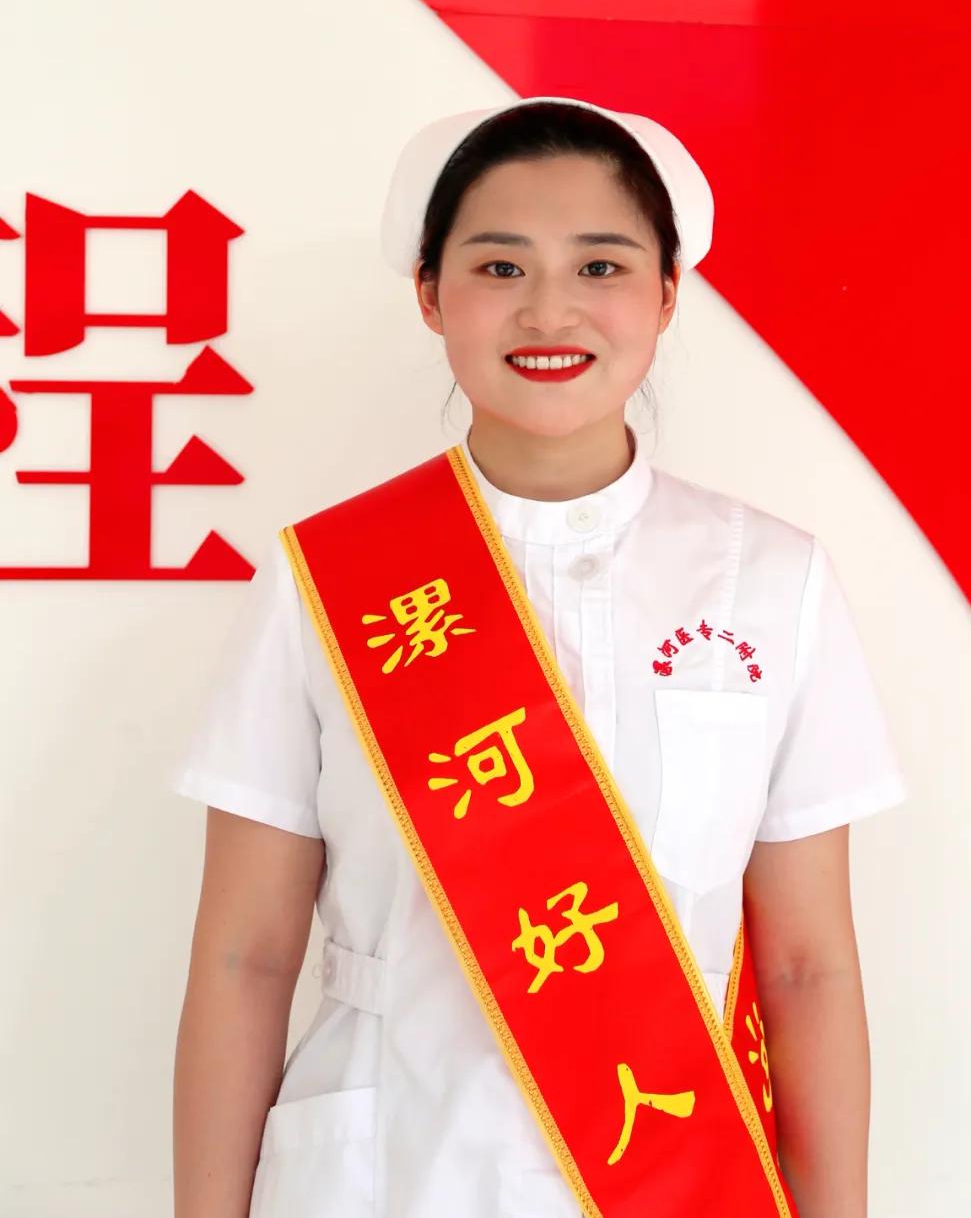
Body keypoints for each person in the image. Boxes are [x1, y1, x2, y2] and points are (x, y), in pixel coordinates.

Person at [171, 95, 907, 1218]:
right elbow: (245, 956)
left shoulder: (770, 580)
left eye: (601, 265)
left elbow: (809, 965)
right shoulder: (324, 581)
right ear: (431, 293)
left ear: (667, 293)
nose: (550, 308)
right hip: (387, 1169)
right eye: (500, 266)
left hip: (677, 1172)